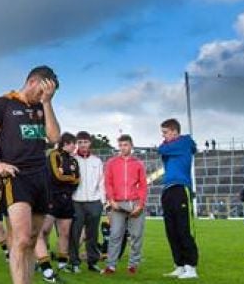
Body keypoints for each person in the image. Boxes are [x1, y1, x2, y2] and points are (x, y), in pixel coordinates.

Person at [0, 65, 61, 284]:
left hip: (41, 177)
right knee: (20, 239)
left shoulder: (42, 105)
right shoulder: (4, 103)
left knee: (31, 240)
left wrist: (47, 102)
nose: (42, 96)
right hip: (16, 177)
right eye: (42, 92)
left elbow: (54, 138)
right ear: (32, 82)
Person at [158, 118, 199, 280]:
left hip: (181, 188)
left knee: (183, 229)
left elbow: (161, 150)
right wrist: (165, 145)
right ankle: (180, 265)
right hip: (168, 189)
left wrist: (165, 145)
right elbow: (162, 149)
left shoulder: (184, 142)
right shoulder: (171, 146)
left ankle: (191, 267)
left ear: (175, 132)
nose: (164, 136)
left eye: (166, 132)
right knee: (171, 230)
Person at [102, 134, 147, 275]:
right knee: (115, 235)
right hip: (118, 204)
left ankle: (133, 264)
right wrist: (111, 200)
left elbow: (143, 185)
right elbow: (108, 183)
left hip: (134, 203)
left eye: (125, 145)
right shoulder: (111, 163)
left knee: (136, 235)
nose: (123, 148)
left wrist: (140, 204)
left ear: (131, 145)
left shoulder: (138, 164)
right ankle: (111, 266)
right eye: (120, 145)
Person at [68, 131, 105, 273]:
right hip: (76, 201)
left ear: (90, 143)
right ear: (77, 144)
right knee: (75, 234)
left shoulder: (97, 161)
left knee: (93, 234)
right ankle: (75, 263)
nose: (83, 145)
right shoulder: (72, 159)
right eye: (80, 142)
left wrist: (102, 201)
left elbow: (102, 182)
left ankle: (93, 262)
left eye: (85, 142)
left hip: (95, 202)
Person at [46, 132, 79, 274]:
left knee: (64, 233)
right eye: (74, 144)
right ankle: (40, 260)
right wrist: (69, 178)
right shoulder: (54, 155)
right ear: (66, 143)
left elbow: (77, 180)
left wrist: (67, 178)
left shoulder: (73, 161)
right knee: (44, 231)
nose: (75, 147)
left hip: (67, 200)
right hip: (52, 198)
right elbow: (56, 176)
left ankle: (62, 264)